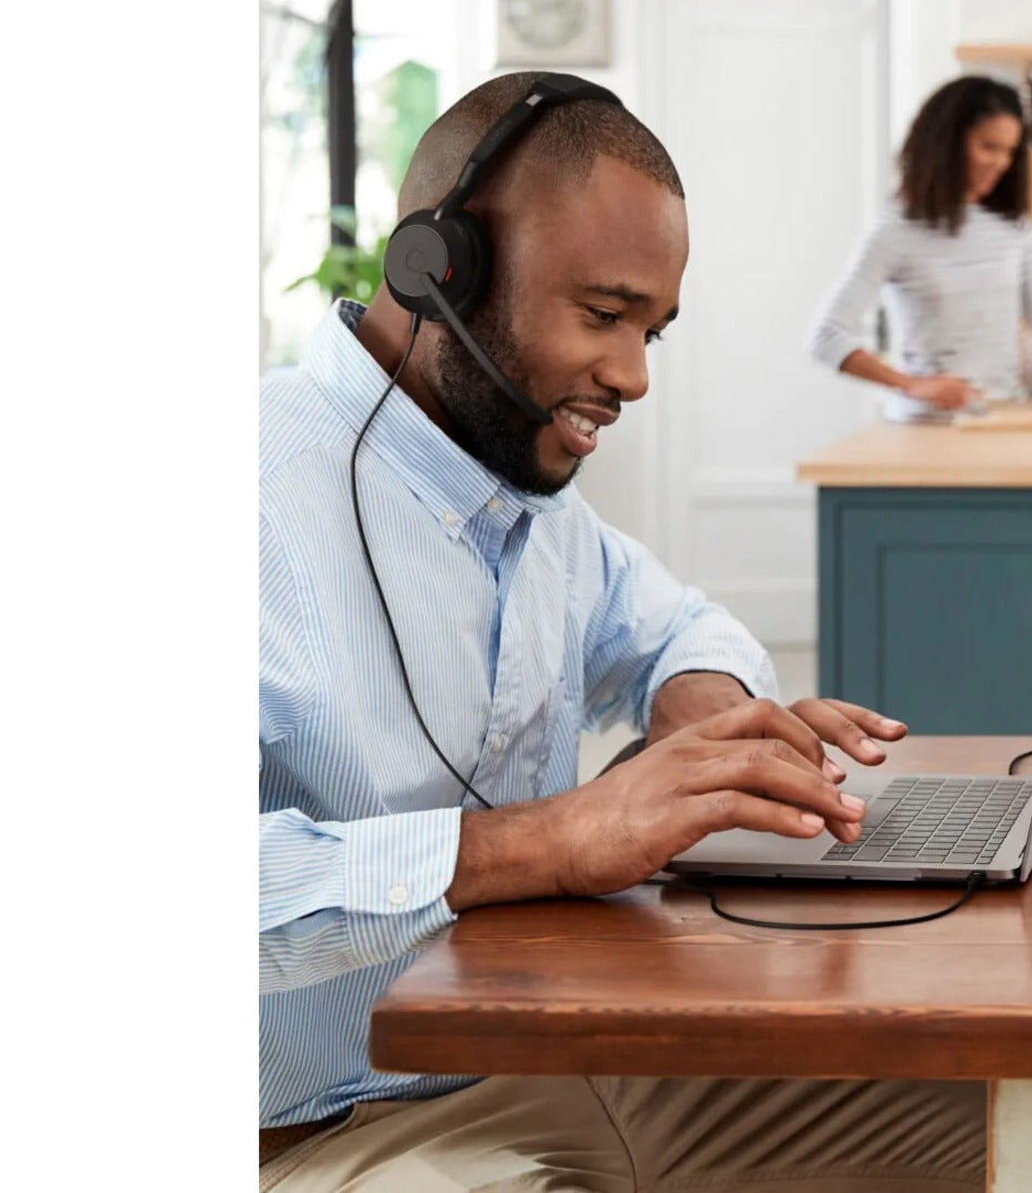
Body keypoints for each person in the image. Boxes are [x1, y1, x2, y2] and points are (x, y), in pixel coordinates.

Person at [260, 71, 987, 1191]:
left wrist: (712, 718)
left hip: (570, 1059)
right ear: (438, 268)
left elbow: (678, 627)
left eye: (651, 328)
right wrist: (552, 838)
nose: (634, 375)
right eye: (603, 315)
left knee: (1005, 1116)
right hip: (329, 1130)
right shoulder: (251, 495)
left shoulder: (526, 494)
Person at [805, 75, 1032, 420]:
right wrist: (911, 384)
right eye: (988, 147)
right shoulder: (896, 232)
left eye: (1009, 151)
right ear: (947, 143)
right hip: (925, 428)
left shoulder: (1015, 230)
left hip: (1000, 421)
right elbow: (826, 335)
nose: (1001, 163)